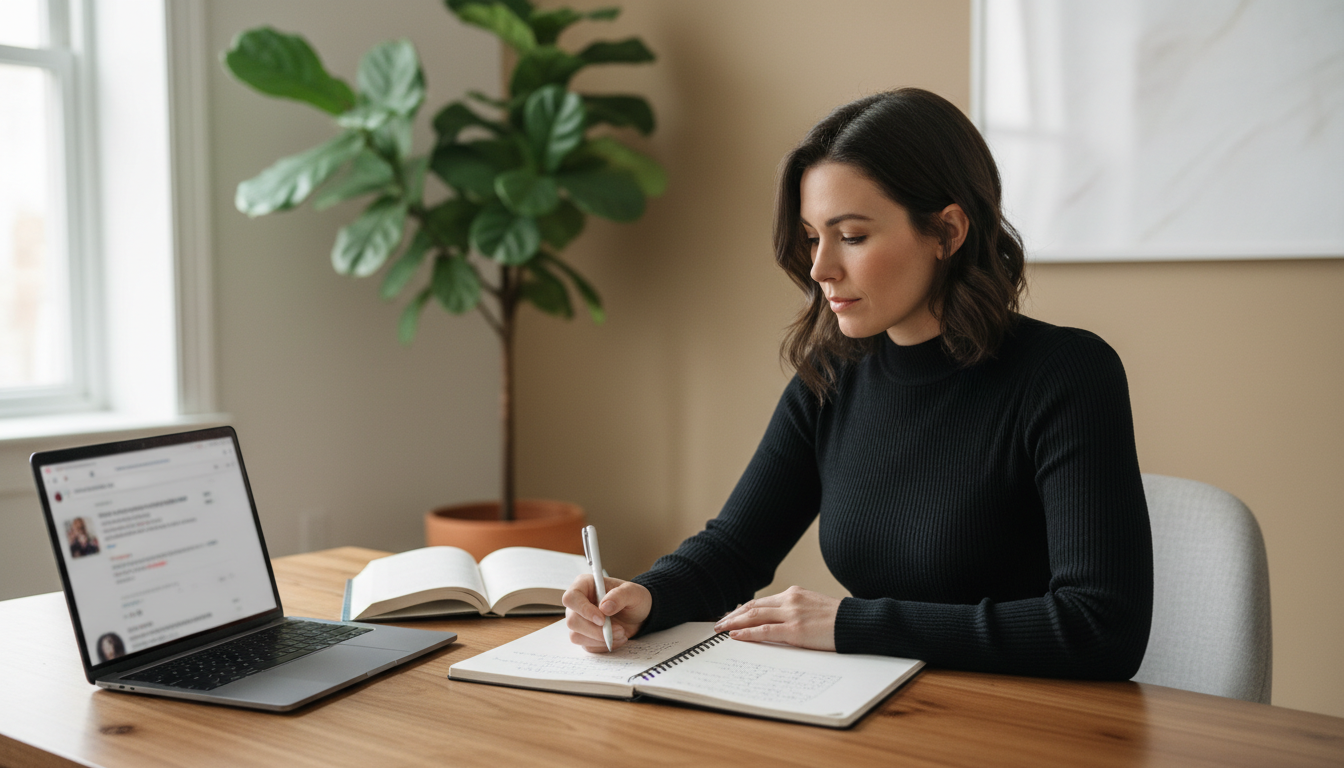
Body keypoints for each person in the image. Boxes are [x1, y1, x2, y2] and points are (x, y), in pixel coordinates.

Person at [563, 88, 1153, 680]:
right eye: (813, 236)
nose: (820, 268)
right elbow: (735, 550)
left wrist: (849, 623)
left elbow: (1101, 628)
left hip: (1030, 722)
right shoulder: (833, 376)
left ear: (947, 232)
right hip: (878, 706)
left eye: (851, 236)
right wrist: (644, 596)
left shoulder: (1066, 373)